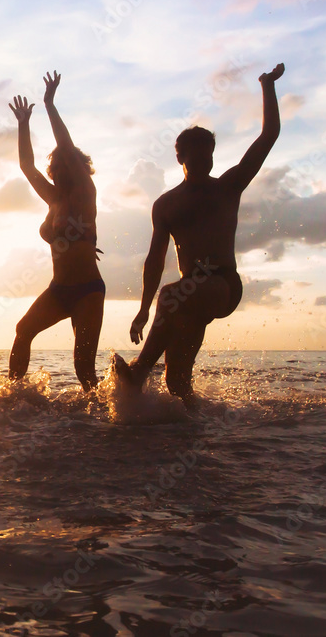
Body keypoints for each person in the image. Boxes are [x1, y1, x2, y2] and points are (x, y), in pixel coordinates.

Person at [115, 63, 285, 407]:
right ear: (180, 157)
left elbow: (268, 137)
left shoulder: (228, 188)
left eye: (210, 152)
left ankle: (138, 370)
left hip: (222, 286)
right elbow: (154, 261)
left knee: (172, 294)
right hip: (189, 297)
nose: (206, 159)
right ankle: (196, 429)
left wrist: (267, 86)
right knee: (176, 380)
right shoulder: (165, 205)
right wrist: (142, 311)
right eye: (198, 153)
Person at [7, 72, 105, 392]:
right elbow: (26, 166)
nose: (60, 169)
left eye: (67, 164)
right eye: (56, 166)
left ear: (79, 168)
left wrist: (50, 104)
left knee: (83, 370)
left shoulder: (85, 194)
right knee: (23, 330)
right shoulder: (53, 199)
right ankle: (14, 395)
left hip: (88, 291)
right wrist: (23, 123)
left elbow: (65, 144)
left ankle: (110, 417)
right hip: (59, 290)